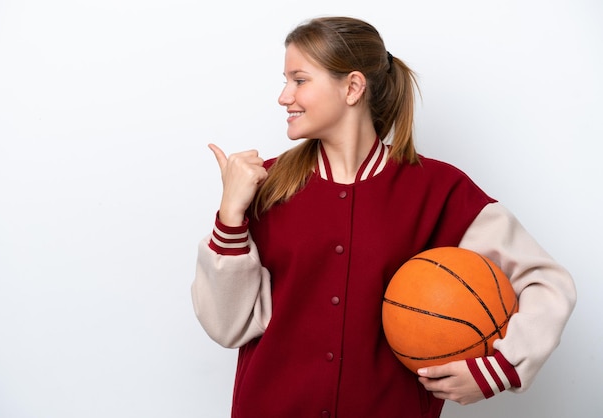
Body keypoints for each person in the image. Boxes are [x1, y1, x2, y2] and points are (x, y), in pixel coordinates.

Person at [191, 16, 576, 418]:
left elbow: (546, 281)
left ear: (353, 87)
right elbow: (227, 326)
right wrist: (230, 214)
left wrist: (498, 369)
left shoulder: (440, 189)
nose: (284, 96)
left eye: (299, 80)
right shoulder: (265, 185)